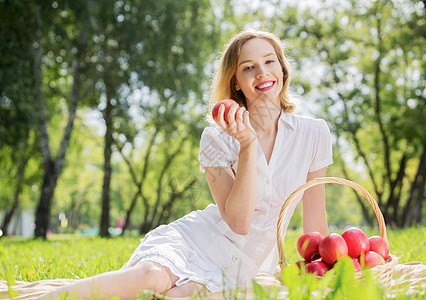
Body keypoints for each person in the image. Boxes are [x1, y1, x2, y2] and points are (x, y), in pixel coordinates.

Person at [38, 28, 333, 299]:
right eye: (248, 67)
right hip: (195, 242)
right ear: (237, 83)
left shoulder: (314, 133)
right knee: (151, 279)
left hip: (242, 269)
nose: (262, 73)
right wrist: (247, 145)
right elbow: (239, 222)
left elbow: (315, 223)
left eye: (270, 62)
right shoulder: (217, 138)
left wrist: (327, 271)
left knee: (179, 296)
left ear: (283, 69)